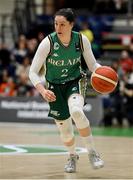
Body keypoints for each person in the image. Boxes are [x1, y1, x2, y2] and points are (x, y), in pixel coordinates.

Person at [29, 8, 104, 173]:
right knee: (65, 130)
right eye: (56, 23)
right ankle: (72, 156)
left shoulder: (81, 40)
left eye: (62, 24)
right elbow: (32, 72)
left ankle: (92, 152)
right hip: (54, 87)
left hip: (75, 81)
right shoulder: (48, 42)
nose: (58, 27)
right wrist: (42, 90)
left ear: (71, 25)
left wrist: (102, 72)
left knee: (76, 112)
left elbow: (92, 65)